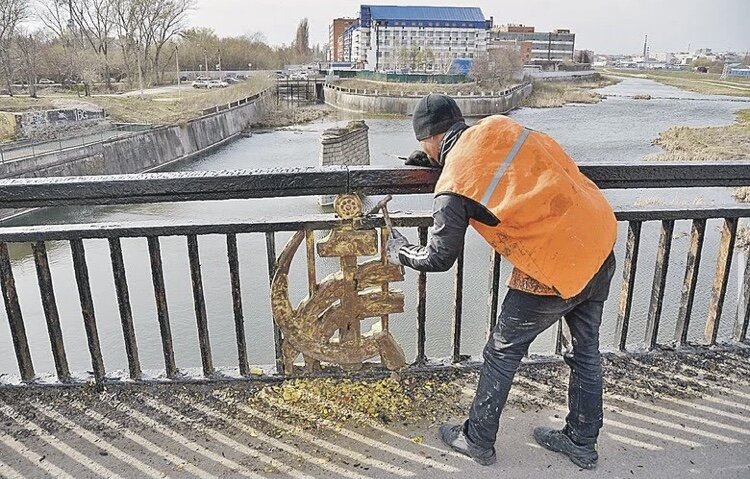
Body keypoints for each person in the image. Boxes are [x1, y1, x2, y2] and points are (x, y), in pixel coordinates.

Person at [386, 94, 618, 469]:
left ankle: (476, 439)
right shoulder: (498, 126)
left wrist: (401, 251)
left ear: (427, 138)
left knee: (502, 352)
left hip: (555, 260)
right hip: (596, 237)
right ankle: (581, 441)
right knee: (586, 351)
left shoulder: (453, 182)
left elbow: (439, 257)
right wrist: (439, 165)